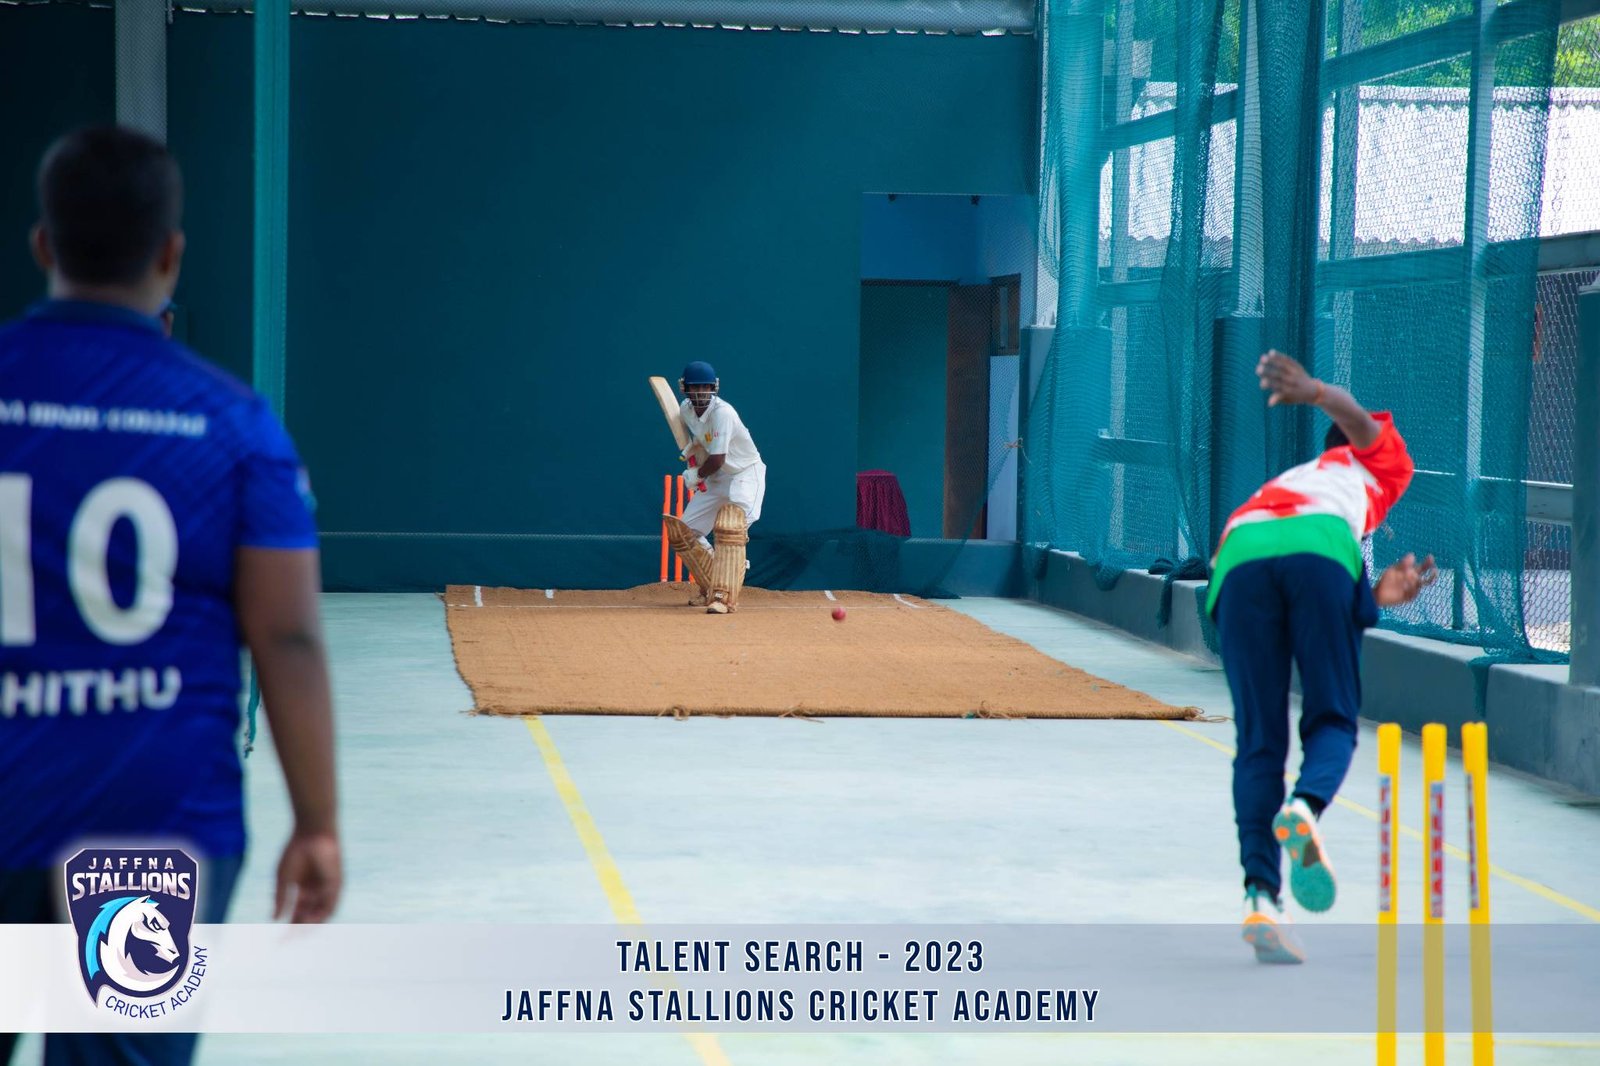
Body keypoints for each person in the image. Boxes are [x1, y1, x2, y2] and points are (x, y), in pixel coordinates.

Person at [0, 126, 342, 1064]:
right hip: (154, 811)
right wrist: (316, 823)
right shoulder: (233, 423)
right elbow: (288, 638)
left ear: (43, 244)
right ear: (170, 255)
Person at [1208, 350, 1436, 965]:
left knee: (1259, 742)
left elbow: (1315, 576)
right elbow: (1358, 422)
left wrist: (1375, 596)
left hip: (1238, 553)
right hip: (1318, 550)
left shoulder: (1299, 480)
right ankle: (1304, 808)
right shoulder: (1382, 467)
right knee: (1333, 718)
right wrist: (1315, 392)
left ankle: (1262, 898)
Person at [662, 360, 766, 614]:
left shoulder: (723, 413)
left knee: (731, 529)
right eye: (695, 387)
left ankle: (724, 596)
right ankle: (711, 585)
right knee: (685, 533)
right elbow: (705, 439)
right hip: (718, 476)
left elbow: (718, 458)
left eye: (705, 387)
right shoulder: (686, 410)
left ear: (713, 387)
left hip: (744, 474)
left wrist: (697, 475)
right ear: (685, 388)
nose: (700, 392)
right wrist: (695, 448)